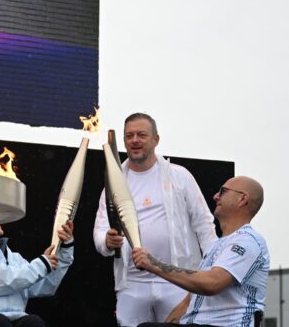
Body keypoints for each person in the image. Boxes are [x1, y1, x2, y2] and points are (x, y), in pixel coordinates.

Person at [93, 112, 218, 326]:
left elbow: (204, 224)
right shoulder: (114, 182)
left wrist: (212, 271)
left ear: (156, 140)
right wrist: (107, 240)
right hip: (132, 284)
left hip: (178, 280)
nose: (135, 140)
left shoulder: (179, 176)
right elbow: (100, 229)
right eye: (129, 136)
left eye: (141, 135)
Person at [134, 176, 269, 327]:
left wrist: (154, 265)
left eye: (223, 191)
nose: (215, 196)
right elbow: (189, 301)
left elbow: (213, 283)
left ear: (243, 199)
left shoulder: (248, 240)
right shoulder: (215, 245)